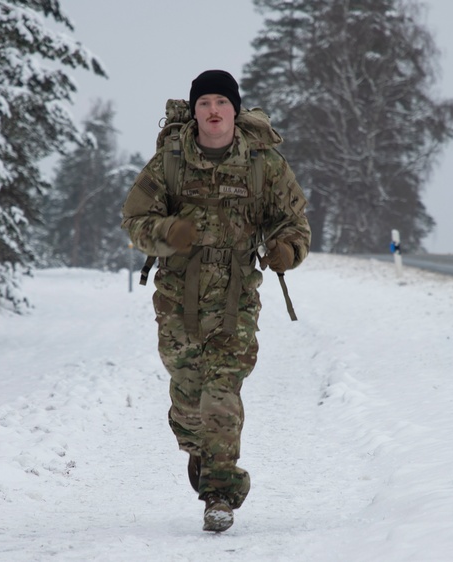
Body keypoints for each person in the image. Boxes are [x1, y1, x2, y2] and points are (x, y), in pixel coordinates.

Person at [121, 69, 311, 532]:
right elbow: (134, 220)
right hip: (177, 300)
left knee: (221, 395)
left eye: (221, 103)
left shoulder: (263, 163)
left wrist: (286, 249)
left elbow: (293, 222)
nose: (213, 111)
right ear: (194, 110)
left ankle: (220, 494)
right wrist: (169, 233)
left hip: (235, 300)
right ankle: (199, 451)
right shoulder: (169, 160)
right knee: (189, 402)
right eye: (204, 103)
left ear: (234, 109)